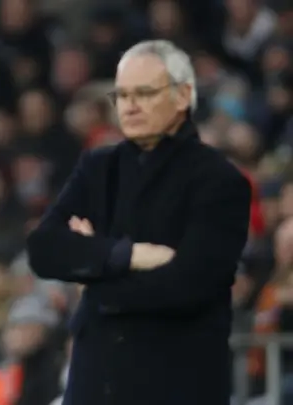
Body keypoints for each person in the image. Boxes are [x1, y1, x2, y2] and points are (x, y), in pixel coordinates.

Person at [26, 40, 251, 405]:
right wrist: (126, 256)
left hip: (173, 384)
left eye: (144, 93)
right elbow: (43, 249)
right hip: (94, 383)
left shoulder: (220, 181)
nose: (129, 106)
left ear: (183, 96)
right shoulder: (97, 167)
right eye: (122, 95)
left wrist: (93, 275)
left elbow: (187, 286)